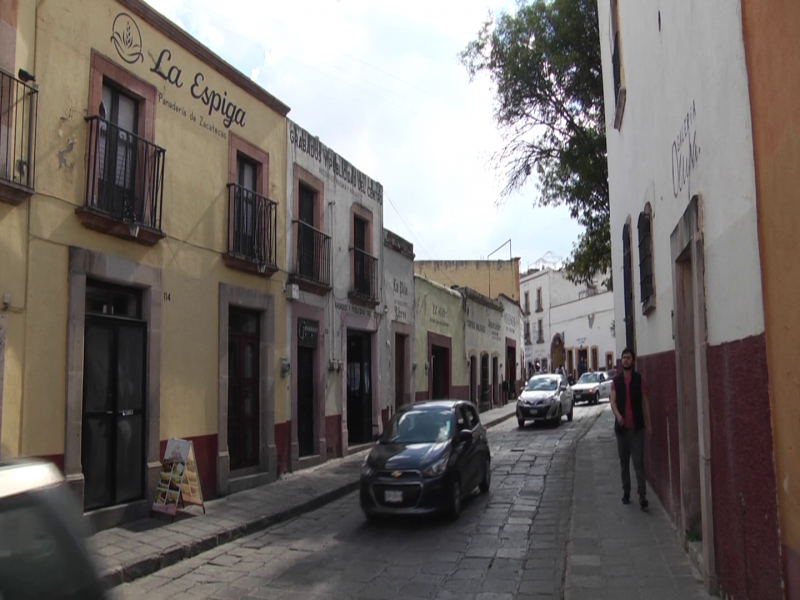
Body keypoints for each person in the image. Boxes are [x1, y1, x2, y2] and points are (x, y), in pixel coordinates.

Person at [610, 347, 652, 509]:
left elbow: (645, 403)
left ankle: (642, 496)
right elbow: (613, 402)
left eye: (628, 358)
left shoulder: (639, 380)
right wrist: (618, 416)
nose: (626, 360)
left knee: (639, 462)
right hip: (621, 431)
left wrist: (650, 424)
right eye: (623, 358)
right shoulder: (616, 381)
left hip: (637, 429)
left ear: (633, 361)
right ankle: (626, 492)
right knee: (624, 463)